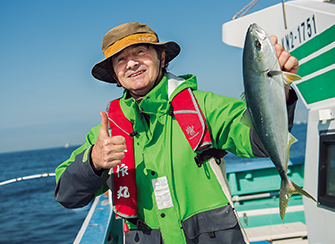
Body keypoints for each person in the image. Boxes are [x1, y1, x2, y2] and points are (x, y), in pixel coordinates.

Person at [55, 22, 299, 244]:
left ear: (161, 58)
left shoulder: (204, 107)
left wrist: (278, 92)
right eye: (120, 59)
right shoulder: (106, 133)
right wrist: (94, 162)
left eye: (140, 51)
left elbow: (260, 141)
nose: (131, 63)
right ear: (115, 75)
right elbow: (67, 195)